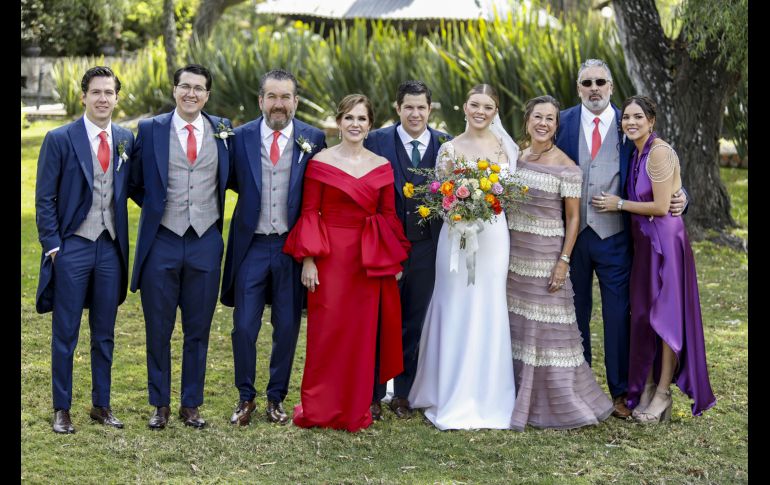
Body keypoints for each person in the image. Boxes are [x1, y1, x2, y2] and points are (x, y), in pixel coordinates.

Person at [554, 59, 687, 418]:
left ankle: (620, 391)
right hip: (573, 236)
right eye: (587, 83)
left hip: (617, 237)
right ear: (578, 88)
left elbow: (658, 166)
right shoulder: (561, 122)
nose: (594, 88)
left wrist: (682, 194)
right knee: (574, 312)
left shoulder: (628, 122)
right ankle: (577, 386)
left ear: (611, 86)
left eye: (600, 81)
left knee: (619, 314)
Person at [283, 94, 411, 432]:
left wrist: (393, 260)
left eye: (362, 119)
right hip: (329, 257)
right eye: (349, 118)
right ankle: (320, 406)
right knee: (326, 334)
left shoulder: (381, 165)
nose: (355, 124)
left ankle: (355, 409)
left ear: (370, 125)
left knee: (361, 336)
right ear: (339, 122)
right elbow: (310, 212)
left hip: (367, 261)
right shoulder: (320, 162)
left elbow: (387, 216)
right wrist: (308, 260)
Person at [597, 95, 716, 423]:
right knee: (645, 315)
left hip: (665, 243)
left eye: (638, 117)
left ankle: (662, 394)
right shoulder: (636, 152)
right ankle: (646, 388)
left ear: (652, 121)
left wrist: (618, 204)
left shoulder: (659, 152)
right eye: (626, 118)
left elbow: (663, 206)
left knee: (666, 319)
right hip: (644, 245)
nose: (631, 122)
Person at [220, 69, 326, 426]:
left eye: (286, 97)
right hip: (251, 246)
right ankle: (245, 396)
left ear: (295, 101)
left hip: (291, 248)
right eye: (272, 97)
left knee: (286, 327)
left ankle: (276, 397)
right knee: (244, 327)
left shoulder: (314, 138)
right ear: (261, 100)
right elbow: (230, 180)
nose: (278, 104)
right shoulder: (241, 137)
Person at [408, 84, 517, 430]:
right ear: (464, 107)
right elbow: (442, 197)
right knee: (454, 304)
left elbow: (511, 195)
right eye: (475, 105)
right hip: (455, 237)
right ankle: (448, 390)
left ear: (495, 110)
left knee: (489, 305)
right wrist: (462, 207)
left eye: (487, 106)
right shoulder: (449, 149)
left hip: (494, 237)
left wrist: (485, 204)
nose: (480, 111)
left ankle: (489, 394)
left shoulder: (505, 147)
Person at [129, 64, 232, 429]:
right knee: (158, 327)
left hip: (205, 240)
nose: (192, 94)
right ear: (174, 90)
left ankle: (191, 404)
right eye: (185, 87)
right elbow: (135, 182)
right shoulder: (151, 129)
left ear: (207, 94)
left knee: (198, 327)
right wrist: (158, 208)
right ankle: (160, 404)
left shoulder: (222, 130)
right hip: (162, 241)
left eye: (199, 88)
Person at [35, 66, 134, 433]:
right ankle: (62, 408)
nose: (103, 98)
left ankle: (101, 405)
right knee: (65, 332)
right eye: (96, 92)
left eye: (109, 92)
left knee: (104, 332)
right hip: (73, 247)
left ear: (116, 98)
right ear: (83, 96)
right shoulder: (59, 138)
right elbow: (44, 199)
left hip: (109, 248)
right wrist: (54, 247)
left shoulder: (125, 139)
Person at [507, 95, 614, 430]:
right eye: (537, 116)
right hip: (514, 256)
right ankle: (513, 393)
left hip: (546, 256)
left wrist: (563, 261)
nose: (543, 123)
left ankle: (554, 401)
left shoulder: (567, 166)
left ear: (557, 125)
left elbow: (572, 220)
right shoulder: (516, 157)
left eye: (550, 119)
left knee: (547, 332)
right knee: (519, 328)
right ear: (527, 120)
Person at [363, 80, 451, 419]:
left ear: (430, 110)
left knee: (416, 319)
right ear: (397, 109)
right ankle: (372, 392)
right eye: (409, 107)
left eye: (421, 107)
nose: (415, 113)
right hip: (386, 245)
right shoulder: (376, 141)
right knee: (380, 319)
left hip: (428, 246)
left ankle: (404, 393)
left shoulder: (445, 145)